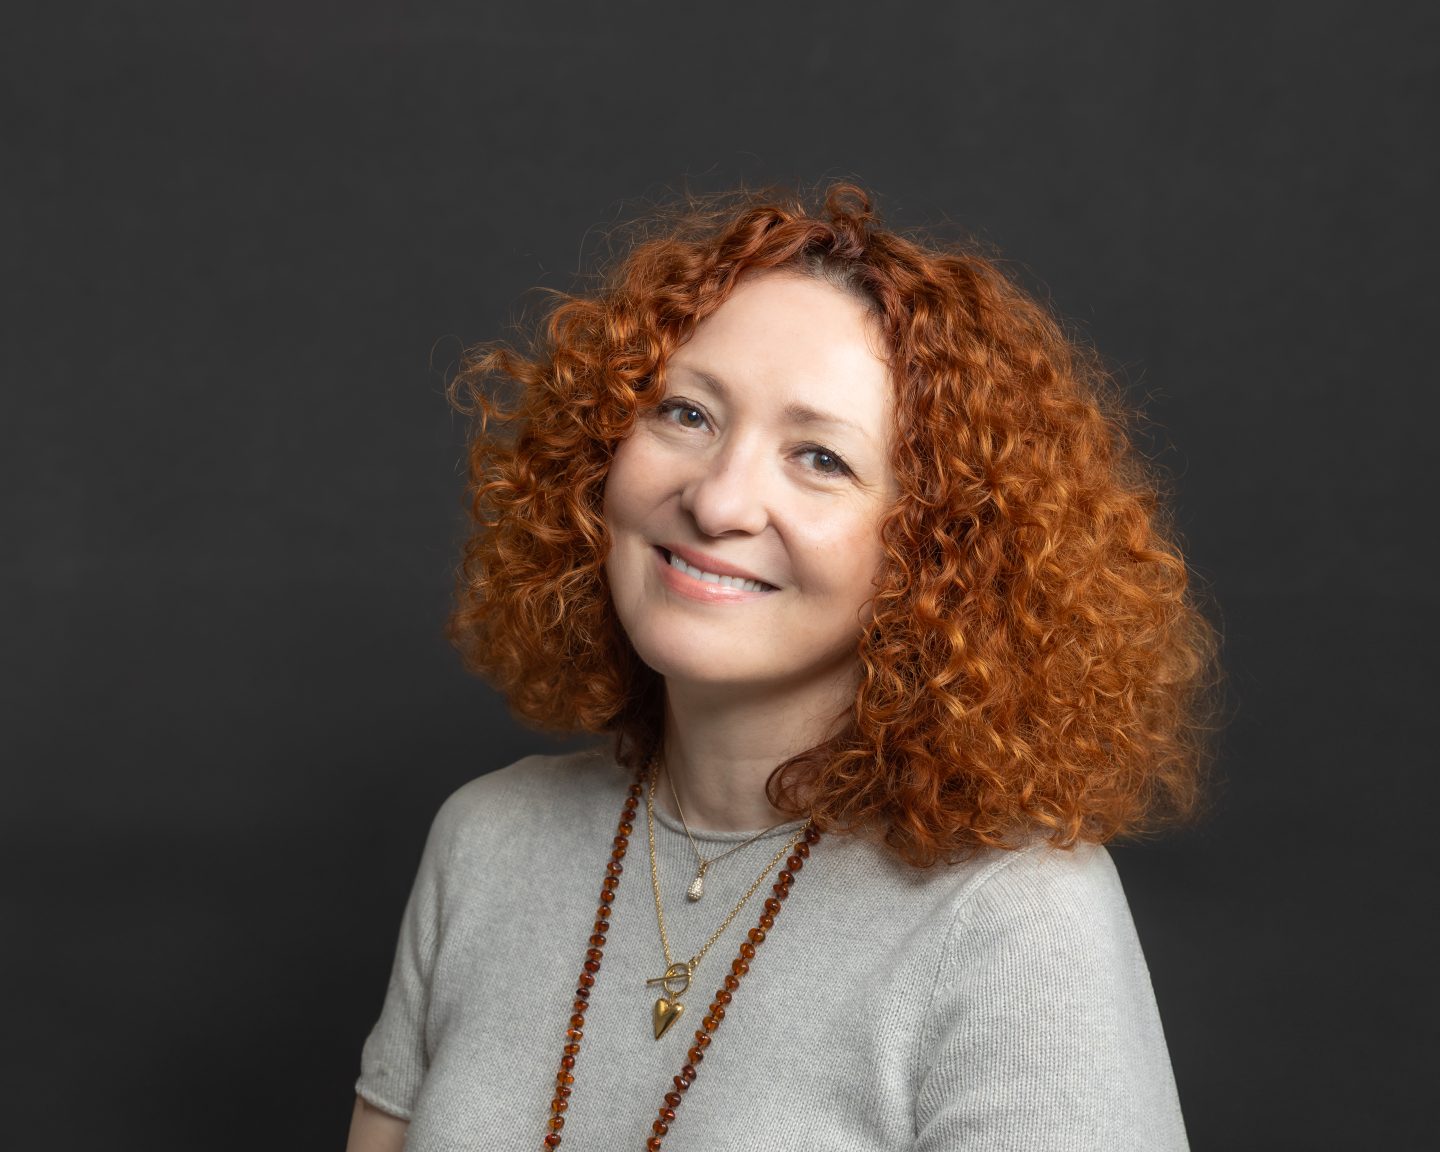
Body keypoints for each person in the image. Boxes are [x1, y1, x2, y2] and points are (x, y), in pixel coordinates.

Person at [346, 184, 1217, 1152]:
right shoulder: (487, 841)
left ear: (939, 549)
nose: (718, 502)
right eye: (686, 412)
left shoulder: (1014, 919)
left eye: (820, 458)